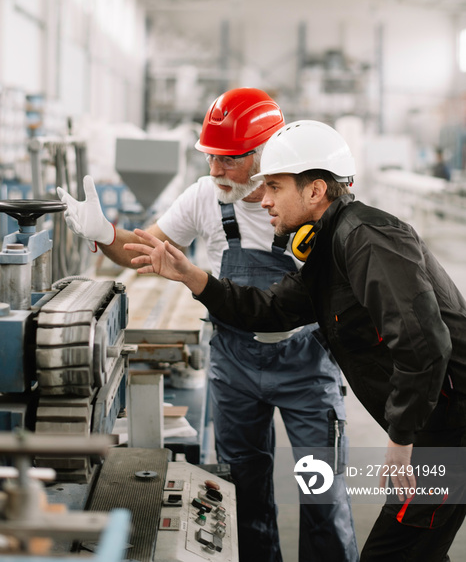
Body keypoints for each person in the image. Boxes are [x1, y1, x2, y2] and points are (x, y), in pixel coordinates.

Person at [125, 119, 466, 562]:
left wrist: (402, 440)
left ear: (315, 191)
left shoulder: (367, 238)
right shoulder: (327, 252)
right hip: (435, 424)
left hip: (450, 430)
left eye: (274, 187)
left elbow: (423, 344)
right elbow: (269, 309)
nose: (263, 199)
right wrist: (191, 276)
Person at [57, 92, 358, 562]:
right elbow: (143, 251)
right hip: (235, 368)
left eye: (230, 160)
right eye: (210, 158)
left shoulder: (312, 206)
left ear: (267, 155)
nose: (216, 171)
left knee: (322, 493)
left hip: (306, 367)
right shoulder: (205, 196)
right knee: (245, 492)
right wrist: (104, 233)